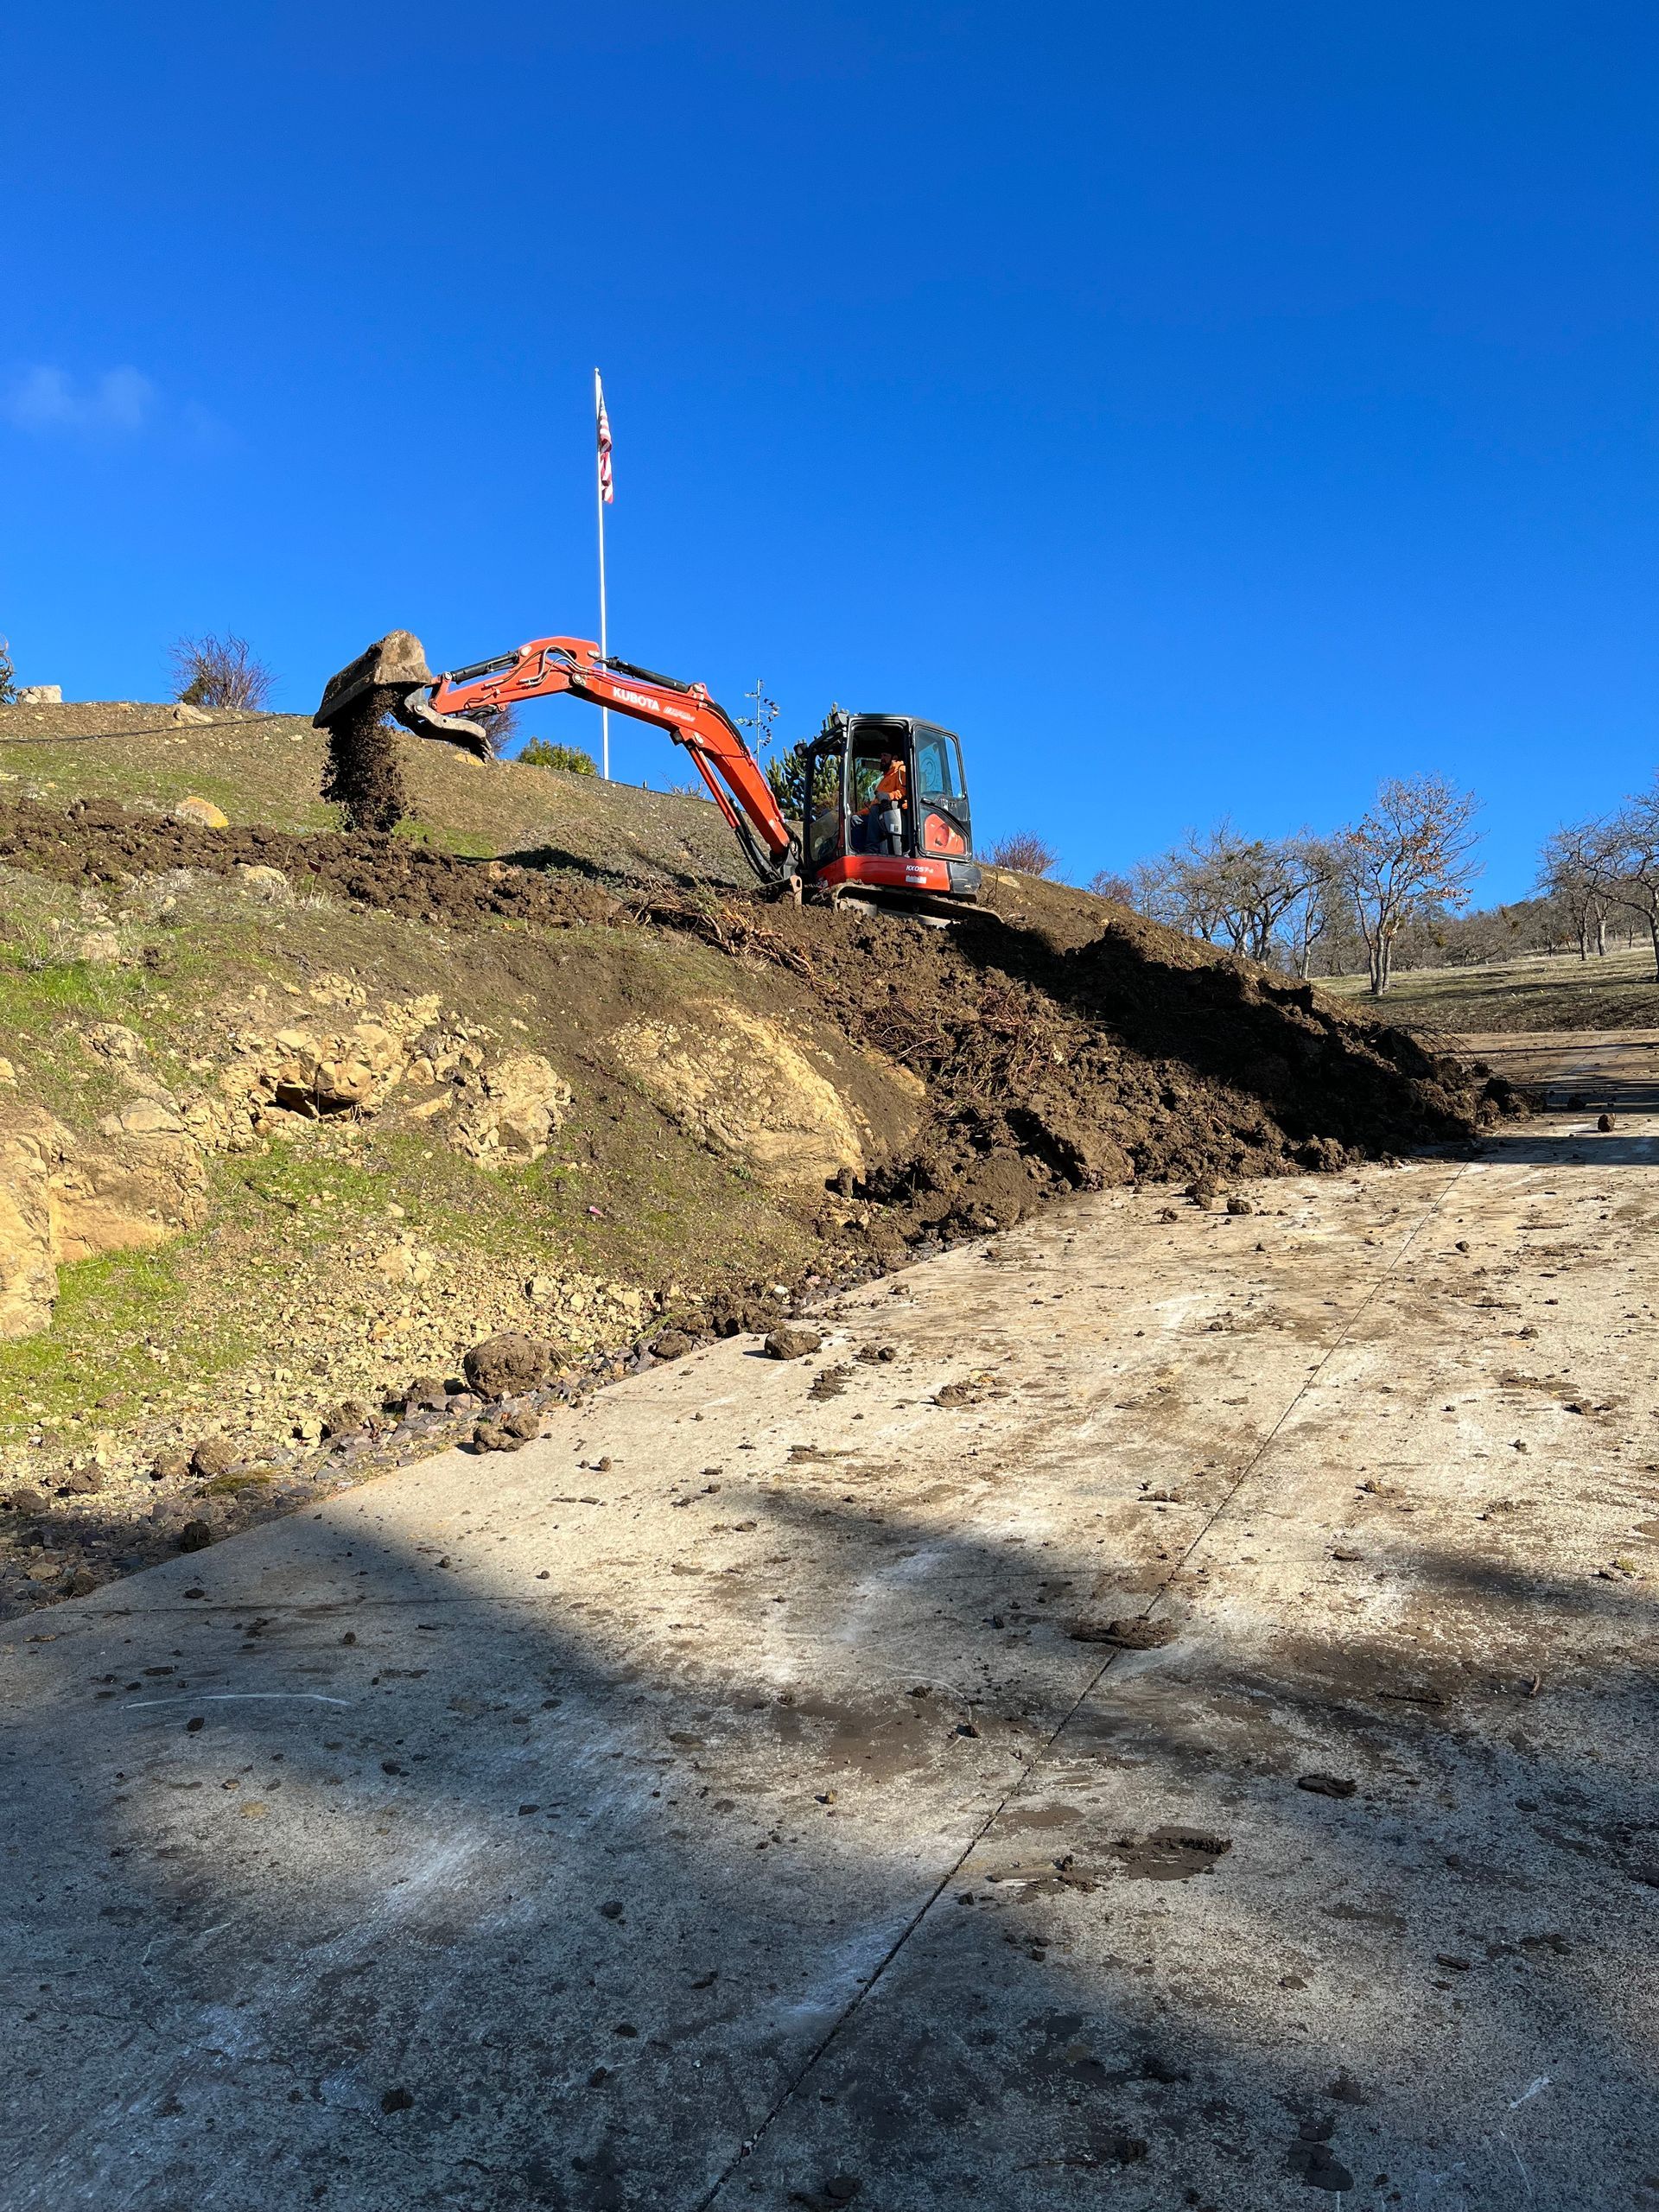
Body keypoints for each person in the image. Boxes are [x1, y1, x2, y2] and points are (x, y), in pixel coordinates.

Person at [855, 750, 906, 854]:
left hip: (893, 814)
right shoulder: (884, 779)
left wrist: (889, 796)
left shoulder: (901, 771)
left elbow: (904, 791)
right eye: (881, 755)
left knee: (875, 809)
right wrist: (857, 814)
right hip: (879, 813)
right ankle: (856, 852)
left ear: (894, 758)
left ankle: (872, 849)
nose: (882, 758)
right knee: (855, 820)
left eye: (885, 755)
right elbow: (875, 802)